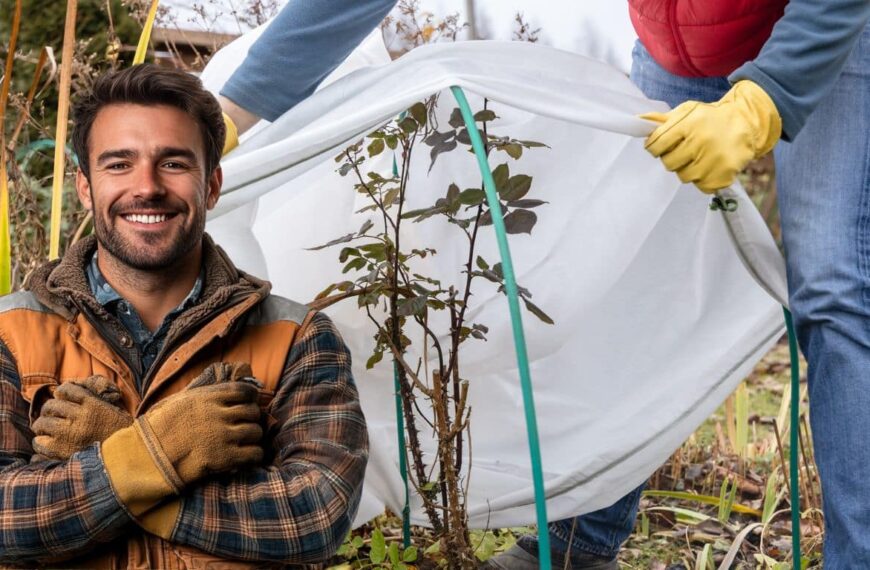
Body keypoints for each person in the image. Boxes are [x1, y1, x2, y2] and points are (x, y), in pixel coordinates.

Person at [219, 0, 870, 567]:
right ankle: (582, 540)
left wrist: (769, 96)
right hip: (682, 43)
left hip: (830, 31)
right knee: (625, 264)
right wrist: (230, 111)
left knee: (832, 289)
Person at [0, 64, 368, 568]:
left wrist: (113, 455)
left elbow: (314, 519)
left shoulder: (296, 336)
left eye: (172, 163)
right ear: (85, 187)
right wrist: (162, 452)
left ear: (211, 185)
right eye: (119, 164)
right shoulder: (11, 331)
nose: (146, 187)